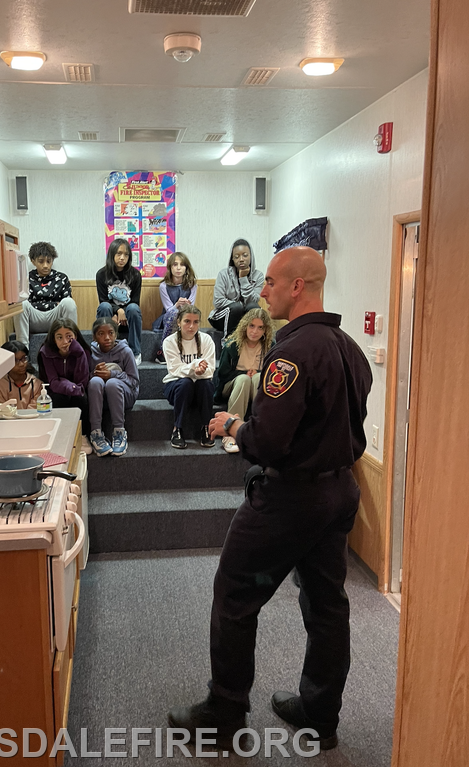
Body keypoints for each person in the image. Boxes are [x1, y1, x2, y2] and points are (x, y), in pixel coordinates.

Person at [168, 246, 373, 752]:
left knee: (235, 595)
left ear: (298, 286)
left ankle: (225, 713)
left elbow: (269, 441)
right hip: (339, 491)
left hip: (290, 499)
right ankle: (320, 714)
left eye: (272, 284)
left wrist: (232, 424)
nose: (262, 291)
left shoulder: (291, 354)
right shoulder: (350, 348)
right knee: (328, 606)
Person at [213, 308, 274, 453]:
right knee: (244, 379)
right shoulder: (232, 345)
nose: (255, 331)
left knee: (260, 377)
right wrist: (243, 372)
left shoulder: (270, 346)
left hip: (256, 386)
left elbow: (273, 373)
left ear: (265, 330)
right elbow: (222, 375)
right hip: (233, 385)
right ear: (245, 326)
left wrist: (257, 372)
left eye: (260, 328)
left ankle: (262, 430)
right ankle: (230, 432)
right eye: (252, 326)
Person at [162, 305, 216, 449]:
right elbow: (174, 370)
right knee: (185, 383)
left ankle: (205, 427)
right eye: (187, 321)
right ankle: (177, 429)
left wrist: (200, 371)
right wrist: (195, 366)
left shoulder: (207, 340)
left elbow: (210, 370)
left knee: (206, 384)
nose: (191, 326)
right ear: (179, 322)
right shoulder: (169, 341)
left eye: (196, 322)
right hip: (176, 386)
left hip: (200, 387)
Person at [38, 317, 91, 453]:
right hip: (57, 391)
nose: (65, 342)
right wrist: (72, 387)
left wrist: (79, 354)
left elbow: (82, 381)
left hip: (78, 391)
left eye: (69, 337)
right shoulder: (46, 353)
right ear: (53, 339)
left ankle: (83, 435)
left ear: (76, 336)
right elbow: (53, 382)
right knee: (58, 397)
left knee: (81, 398)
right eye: (59, 337)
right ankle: (60, 437)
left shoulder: (82, 351)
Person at [88, 317, 139, 457]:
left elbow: (134, 381)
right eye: (101, 334)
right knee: (95, 381)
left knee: (112, 383)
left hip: (124, 397)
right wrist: (94, 373)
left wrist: (112, 374)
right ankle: (96, 433)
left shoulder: (125, 351)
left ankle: (119, 432)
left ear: (116, 334)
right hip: (100, 399)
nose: (107, 337)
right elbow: (84, 380)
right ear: (94, 337)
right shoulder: (91, 353)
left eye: (111, 333)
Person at [16, 241, 77, 346]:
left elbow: (67, 304)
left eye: (49, 261)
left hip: (56, 320)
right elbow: (26, 304)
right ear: (33, 261)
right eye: (41, 261)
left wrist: (41, 304)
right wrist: (53, 304)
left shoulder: (61, 278)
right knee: (21, 304)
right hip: (34, 319)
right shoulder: (26, 279)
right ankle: (23, 350)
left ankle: (72, 346)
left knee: (69, 302)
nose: (45, 265)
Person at [96, 238, 143, 364]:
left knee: (133, 308)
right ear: (112, 254)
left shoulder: (135, 275)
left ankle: (135, 352)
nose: (122, 258)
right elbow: (103, 300)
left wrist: (122, 312)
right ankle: (103, 349)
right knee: (104, 306)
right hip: (109, 313)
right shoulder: (101, 274)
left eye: (126, 254)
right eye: (119, 253)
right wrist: (117, 311)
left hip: (128, 315)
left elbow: (135, 301)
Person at [208, 238, 264, 339]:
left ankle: (256, 345)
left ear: (251, 256)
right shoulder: (223, 274)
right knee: (236, 308)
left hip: (244, 317)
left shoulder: (258, 276)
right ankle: (228, 344)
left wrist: (243, 279)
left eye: (245, 255)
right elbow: (218, 301)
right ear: (232, 260)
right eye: (236, 257)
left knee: (254, 308)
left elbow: (254, 300)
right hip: (222, 317)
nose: (241, 259)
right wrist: (238, 306)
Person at [152, 252, 198, 364]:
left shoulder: (192, 285)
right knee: (174, 314)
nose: (178, 268)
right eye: (175, 264)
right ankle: (162, 352)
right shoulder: (163, 286)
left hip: (184, 316)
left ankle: (192, 351)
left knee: (192, 316)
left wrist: (187, 305)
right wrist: (177, 305)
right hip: (167, 318)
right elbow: (168, 308)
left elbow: (191, 307)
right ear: (170, 267)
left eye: (182, 265)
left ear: (186, 268)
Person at [0, 341, 42, 409]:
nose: (21, 364)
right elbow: (1, 411)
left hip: (30, 418)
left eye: (24, 358)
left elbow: (33, 410)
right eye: (15, 360)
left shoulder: (36, 384)